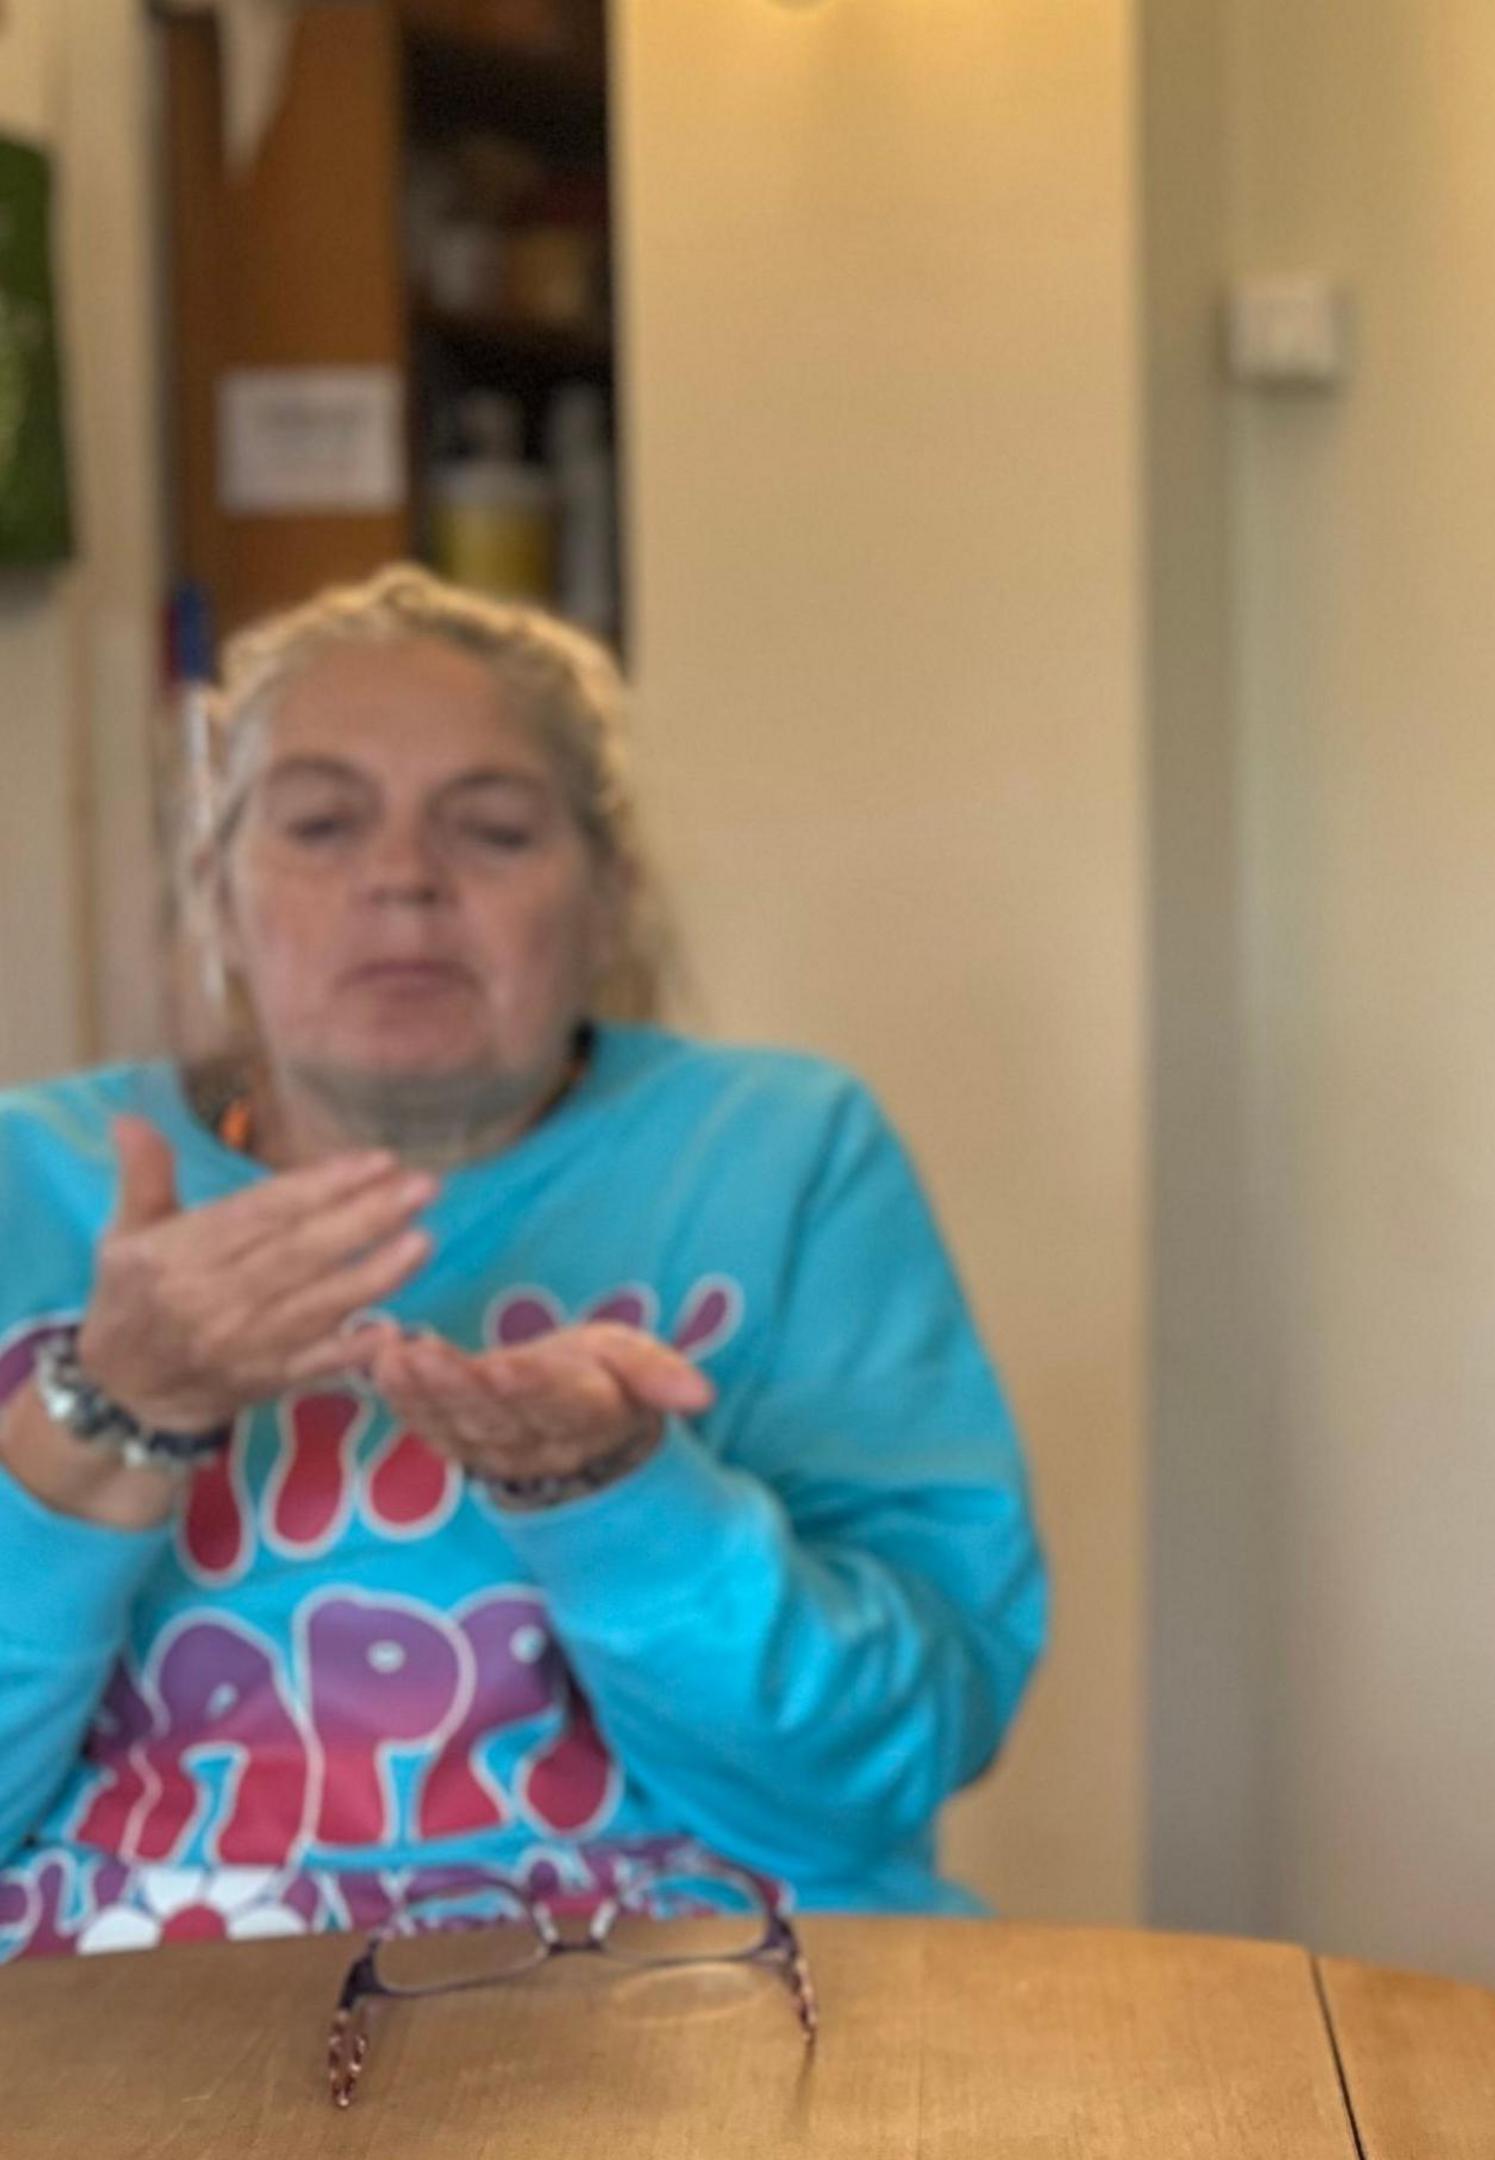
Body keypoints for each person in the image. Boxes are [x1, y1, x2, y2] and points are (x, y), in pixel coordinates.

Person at [0, 566, 1043, 1956]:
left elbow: (880, 1769)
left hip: (694, 2012)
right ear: (219, 895)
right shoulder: (31, 1181)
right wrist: (105, 1414)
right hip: (121, 2023)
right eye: (320, 823)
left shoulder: (780, 1154)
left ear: (607, 897)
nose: (404, 879)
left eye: (489, 831)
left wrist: (614, 1497)